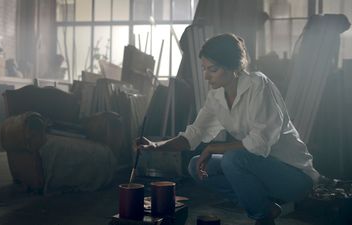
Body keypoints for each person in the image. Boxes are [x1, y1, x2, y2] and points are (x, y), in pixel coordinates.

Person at [136, 33, 320, 225]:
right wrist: (156, 146)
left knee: (233, 159)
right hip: (258, 169)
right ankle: (264, 206)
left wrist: (214, 148)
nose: (206, 76)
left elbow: (260, 143)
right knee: (196, 164)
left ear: (234, 66)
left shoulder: (258, 84)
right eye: (204, 69)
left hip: (294, 177)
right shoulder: (216, 97)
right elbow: (194, 134)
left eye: (213, 70)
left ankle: (263, 216)